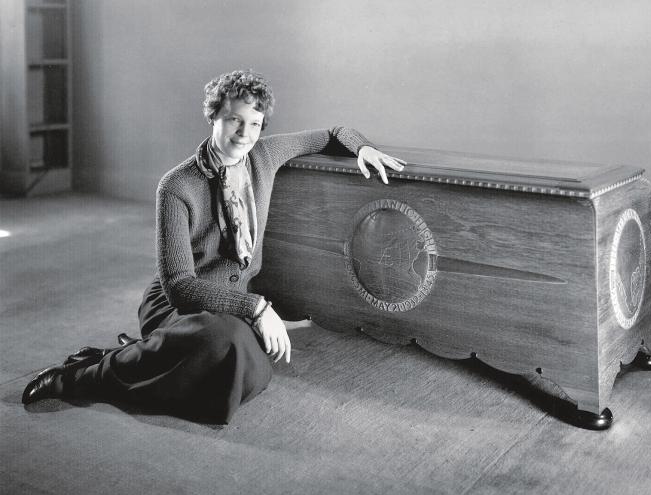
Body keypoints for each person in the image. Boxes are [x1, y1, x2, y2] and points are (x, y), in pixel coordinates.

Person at [22, 69, 405, 423]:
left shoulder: (265, 156)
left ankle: (146, 354)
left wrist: (363, 149)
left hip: (230, 306)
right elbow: (180, 287)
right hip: (178, 306)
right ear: (214, 117)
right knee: (227, 343)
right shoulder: (176, 185)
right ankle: (84, 375)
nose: (244, 133)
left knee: (250, 372)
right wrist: (256, 307)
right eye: (234, 119)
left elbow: (333, 132)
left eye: (254, 123)